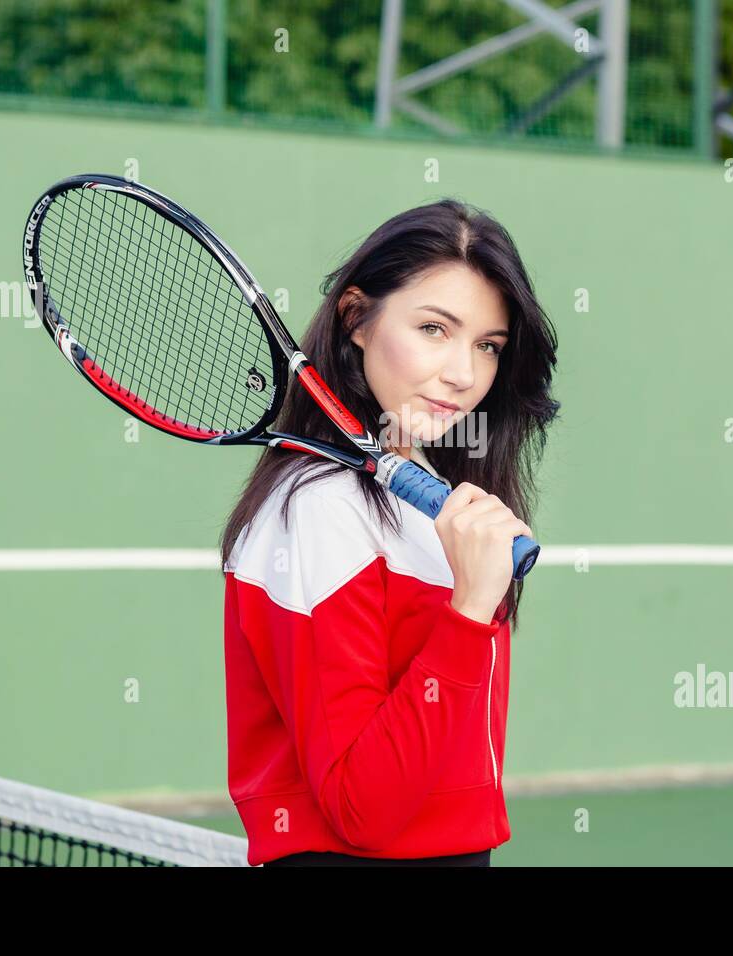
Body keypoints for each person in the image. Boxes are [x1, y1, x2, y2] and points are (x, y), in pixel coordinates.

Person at [220, 198, 559, 866]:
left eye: (488, 346)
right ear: (357, 319)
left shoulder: (437, 492)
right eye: (435, 329)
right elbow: (361, 809)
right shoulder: (318, 510)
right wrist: (468, 614)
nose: (464, 375)